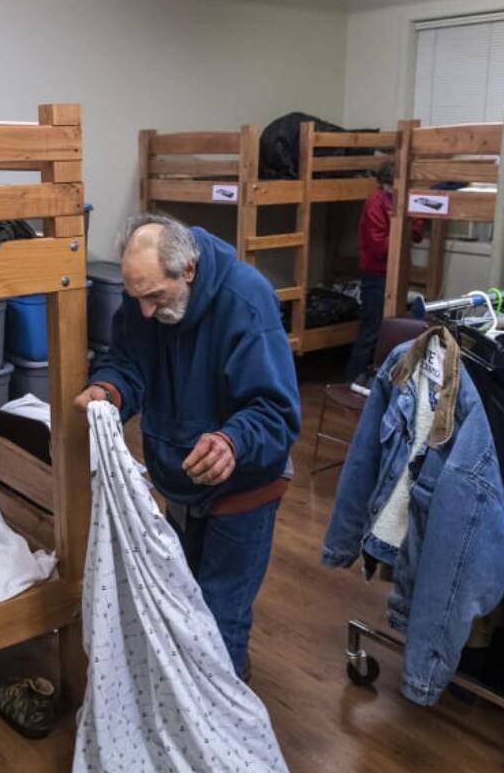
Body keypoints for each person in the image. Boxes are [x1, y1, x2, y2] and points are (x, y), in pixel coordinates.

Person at [75, 213, 301, 680]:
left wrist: (231, 441)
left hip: (245, 483)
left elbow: (276, 413)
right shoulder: (147, 302)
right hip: (180, 476)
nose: (144, 312)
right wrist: (108, 392)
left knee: (221, 612)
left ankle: (221, 733)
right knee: (182, 601)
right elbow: (128, 363)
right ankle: (197, 703)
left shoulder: (246, 300)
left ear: (189, 271)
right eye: (135, 298)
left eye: (155, 297)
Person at [345, 160, 424, 390]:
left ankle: (382, 383)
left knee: (393, 329)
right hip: (376, 274)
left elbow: (417, 234)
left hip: (399, 272)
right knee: (371, 330)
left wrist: (412, 221)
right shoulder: (375, 202)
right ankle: (352, 379)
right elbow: (379, 245)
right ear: (389, 181)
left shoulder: (402, 200)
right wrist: (403, 230)